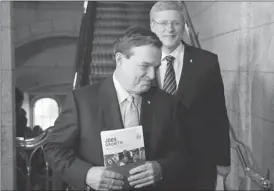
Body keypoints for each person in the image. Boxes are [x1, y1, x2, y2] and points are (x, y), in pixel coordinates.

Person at [43, 26, 187, 191]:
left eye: (155, 67)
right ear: (120, 60)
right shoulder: (82, 101)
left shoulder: (166, 103)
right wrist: (86, 174)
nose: (152, 76)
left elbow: (181, 151)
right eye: (144, 66)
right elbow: (53, 148)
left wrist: (161, 168)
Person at [150, 1, 231, 190]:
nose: (169, 29)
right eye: (163, 23)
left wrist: (223, 161)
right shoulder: (142, 61)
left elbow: (218, 114)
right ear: (152, 26)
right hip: (155, 164)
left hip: (198, 163)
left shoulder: (207, 61)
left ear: (184, 25)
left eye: (175, 23)